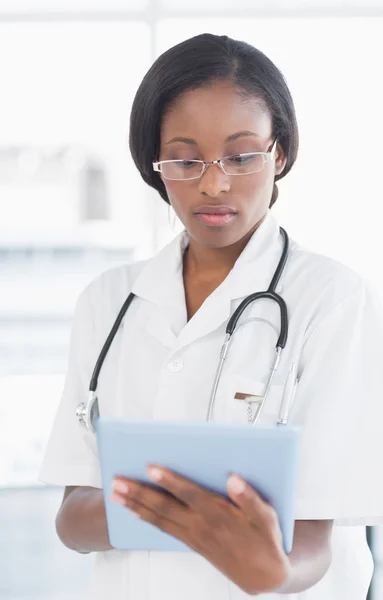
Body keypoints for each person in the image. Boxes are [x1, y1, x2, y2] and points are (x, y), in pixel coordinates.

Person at [39, 33, 383, 599]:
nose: (213, 183)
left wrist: (266, 568)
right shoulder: (108, 300)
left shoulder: (334, 301)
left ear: (280, 153)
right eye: (184, 157)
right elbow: (72, 520)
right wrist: (187, 510)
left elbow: (319, 538)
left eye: (242, 155)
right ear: (156, 163)